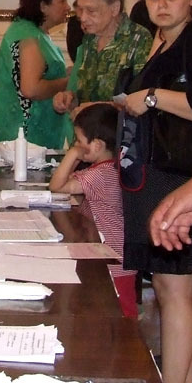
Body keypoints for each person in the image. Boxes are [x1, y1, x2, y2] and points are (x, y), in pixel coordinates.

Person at [117, 0, 192, 383]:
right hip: (154, 175)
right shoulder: (162, 41)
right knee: (175, 291)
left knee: (175, 290)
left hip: (179, 179)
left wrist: (150, 96)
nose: (162, 3)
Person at [49, 104, 137, 317]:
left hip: (115, 259)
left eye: (79, 141)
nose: (76, 146)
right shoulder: (103, 169)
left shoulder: (101, 174)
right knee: (109, 307)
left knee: (122, 311)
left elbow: (57, 186)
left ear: (97, 145)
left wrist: (73, 155)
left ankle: (129, 336)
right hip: (108, 253)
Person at [53, 0, 152, 120]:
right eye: (80, 9)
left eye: (91, 11)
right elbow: (86, 93)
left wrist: (94, 108)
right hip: (87, 131)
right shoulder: (89, 39)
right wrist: (70, 99)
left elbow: (142, 101)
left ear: (114, 8)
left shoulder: (139, 39)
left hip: (119, 132)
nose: (83, 18)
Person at [0, 0, 71, 149]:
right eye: (62, 1)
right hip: (26, 140)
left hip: (35, 137)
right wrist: (68, 82)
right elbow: (31, 89)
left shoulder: (35, 33)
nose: (68, 7)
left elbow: (44, 73)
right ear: (43, 6)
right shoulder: (27, 36)